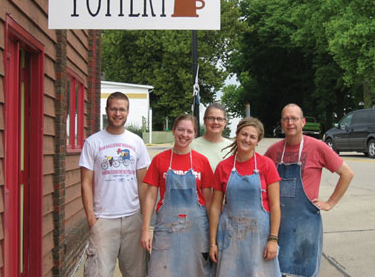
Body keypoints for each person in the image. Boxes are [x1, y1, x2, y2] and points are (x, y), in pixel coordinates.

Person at [265, 103, 354, 277]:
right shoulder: (273, 151)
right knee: (277, 271)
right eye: (286, 119)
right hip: (278, 225)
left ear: (303, 122)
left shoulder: (317, 147)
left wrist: (330, 203)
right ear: (281, 123)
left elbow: (347, 174)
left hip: (306, 225)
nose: (290, 122)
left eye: (294, 118)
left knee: (304, 271)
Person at [79, 92, 151, 277]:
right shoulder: (93, 142)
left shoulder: (136, 142)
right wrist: (91, 219)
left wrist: (144, 220)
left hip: (132, 219)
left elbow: (144, 183)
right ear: (106, 111)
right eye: (113, 109)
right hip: (103, 219)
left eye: (121, 109)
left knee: (137, 273)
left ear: (127, 112)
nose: (117, 113)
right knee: (98, 273)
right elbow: (86, 183)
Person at [141, 114, 214, 277]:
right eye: (180, 129)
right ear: (173, 131)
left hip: (197, 229)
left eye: (189, 131)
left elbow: (209, 201)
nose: (184, 135)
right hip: (167, 228)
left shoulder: (202, 161)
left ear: (195, 134)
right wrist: (146, 229)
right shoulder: (159, 160)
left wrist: (213, 235)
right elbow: (151, 197)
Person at [209, 117, 281, 277]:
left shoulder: (267, 165)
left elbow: (275, 205)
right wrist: (213, 242)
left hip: (259, 240)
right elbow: (215, 207)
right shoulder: (223, 167)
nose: (247, 139)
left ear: (258, 141)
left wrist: (273, 239)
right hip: (229, 237)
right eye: (244, 134)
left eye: (252, 137)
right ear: (237, 134)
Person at [191, 103, 232, 171]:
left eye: (219, 119)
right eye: (211, 118)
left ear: (225, 122)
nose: (215, 122)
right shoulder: (192, 146)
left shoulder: (232, 147)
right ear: (204, 120)